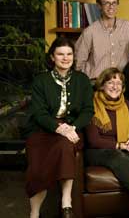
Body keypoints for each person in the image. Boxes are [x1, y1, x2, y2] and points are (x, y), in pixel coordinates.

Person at [24, 37, 94, 218]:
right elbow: (38, 113)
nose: (65, 58)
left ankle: (66, 202)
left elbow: (88, 110)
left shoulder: (82, 80)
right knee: (37, 162)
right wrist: (59, 128)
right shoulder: (41, 80)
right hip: (42, 130)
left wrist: (72, 127)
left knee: (65, 145)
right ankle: (34, 212)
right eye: (60, 54)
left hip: (72, 129)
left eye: (69, 54)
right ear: (52, 57)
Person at [85, 68, 129, 203]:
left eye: (119, 84)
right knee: (118, 157)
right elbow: (93, 140)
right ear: (102, 85)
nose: (115, 87)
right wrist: (119, 145)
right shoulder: (91, 105)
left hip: (123, 146)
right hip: (98, 150)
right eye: (111, 82)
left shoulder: (127, 105)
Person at [74, 0, 129, 80]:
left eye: (114, 3)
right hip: (96, 84)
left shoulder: (128, 28)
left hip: (122, 84)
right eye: (106, 3)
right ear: (99, 5)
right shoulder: (89, 31)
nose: (111, 7)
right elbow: (78, 63)